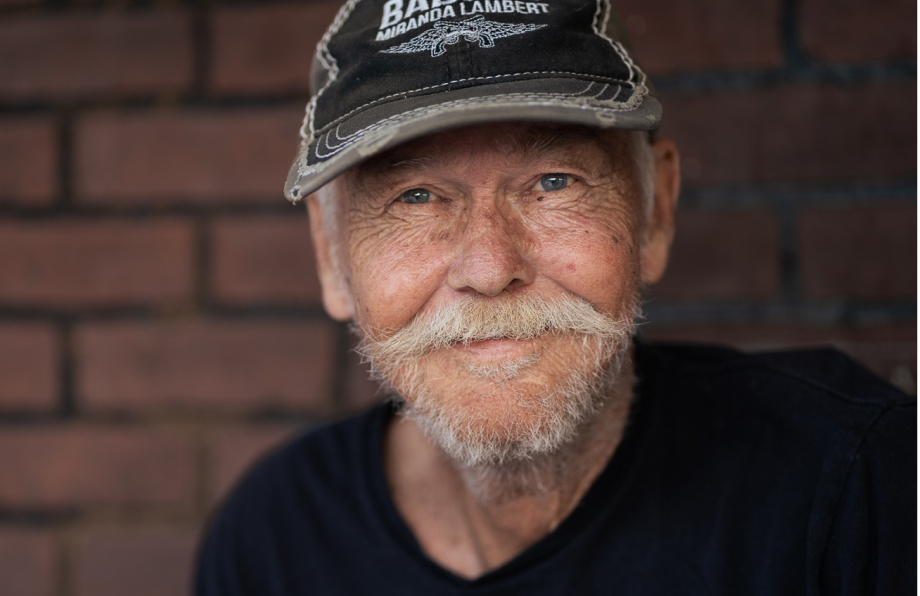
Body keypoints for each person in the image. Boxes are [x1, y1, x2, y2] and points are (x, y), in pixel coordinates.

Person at [195, 0, 916, 593]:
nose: (489, 266)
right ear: (332, 262)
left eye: (553, 182)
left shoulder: (853, 484)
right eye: (415, 197)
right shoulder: (273, 538)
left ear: (654, 211)